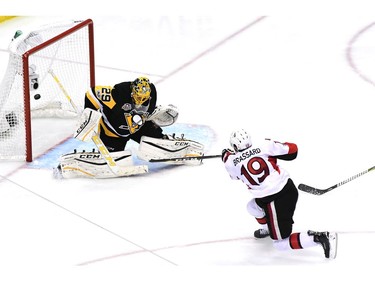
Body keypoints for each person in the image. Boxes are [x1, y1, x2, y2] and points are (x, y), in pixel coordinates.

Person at [55, 76, 204, 179]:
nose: (139, 101)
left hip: (138, 127)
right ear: (132, 90)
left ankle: (175, 148)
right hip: (112, 131)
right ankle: (71, 165)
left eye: (143, 99)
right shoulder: (117, 93)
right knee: (117, 160)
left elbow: (147, 112)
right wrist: (89, 115)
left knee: (158, 140)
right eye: (137, 97)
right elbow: (91, 93)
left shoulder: (152, 94)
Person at [221, 129, 338, 259]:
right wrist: (275, 148)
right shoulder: (264, 145)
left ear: (235, 146)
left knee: (280, 244)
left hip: (275, 200)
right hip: (284, 189)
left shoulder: (230, 162)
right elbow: (293, 150)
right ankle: (267, 229)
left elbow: (234, 175)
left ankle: (321, 238)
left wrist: (226, 155)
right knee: (252, 207)